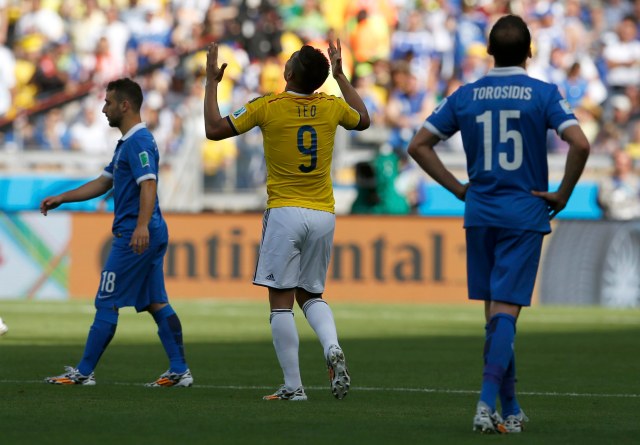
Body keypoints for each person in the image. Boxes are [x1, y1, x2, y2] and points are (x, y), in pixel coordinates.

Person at [407, 15, 590, 433]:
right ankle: (485, 404)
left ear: (488, 52)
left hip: (481, 211)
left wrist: (458, 189)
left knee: (496, 316)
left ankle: (510, 408)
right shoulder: (543, 93)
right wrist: (562, 193)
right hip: (523, 213)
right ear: (530, 52)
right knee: (507, 311)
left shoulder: (466, 95)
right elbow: (580, 142)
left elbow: (419, 144)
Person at [204, 40, 370, 401]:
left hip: (285, 212)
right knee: (311, 293)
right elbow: (365, 119)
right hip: (323, 213)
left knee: (280, 303)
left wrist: (211, 83)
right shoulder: (330, 107)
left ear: (289, 73)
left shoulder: (268, 106)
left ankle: (294, 387)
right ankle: (331, 346)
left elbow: (214, 130)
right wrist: (340, 77)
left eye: (291, 58)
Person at [40, 78, 192, 387]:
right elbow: (103, 182)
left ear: (125, 105)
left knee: (106, 301)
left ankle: (83, 373)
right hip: (147, 230)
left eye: (108, 102)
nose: (103, 108)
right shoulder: (126, 144)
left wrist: (140, 226)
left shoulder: (139, 142)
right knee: (155, 302)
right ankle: (179, 370)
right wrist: (63, 197)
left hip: (136, 235)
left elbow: (148, 183)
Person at [597, 149, 640, 220]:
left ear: (629, 164)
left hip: (633, 221)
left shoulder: (637, 181)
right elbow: (603, 202)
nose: (621, 166)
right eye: (618, 163)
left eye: (624, 164)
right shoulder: (605, 182)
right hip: (612, 220)